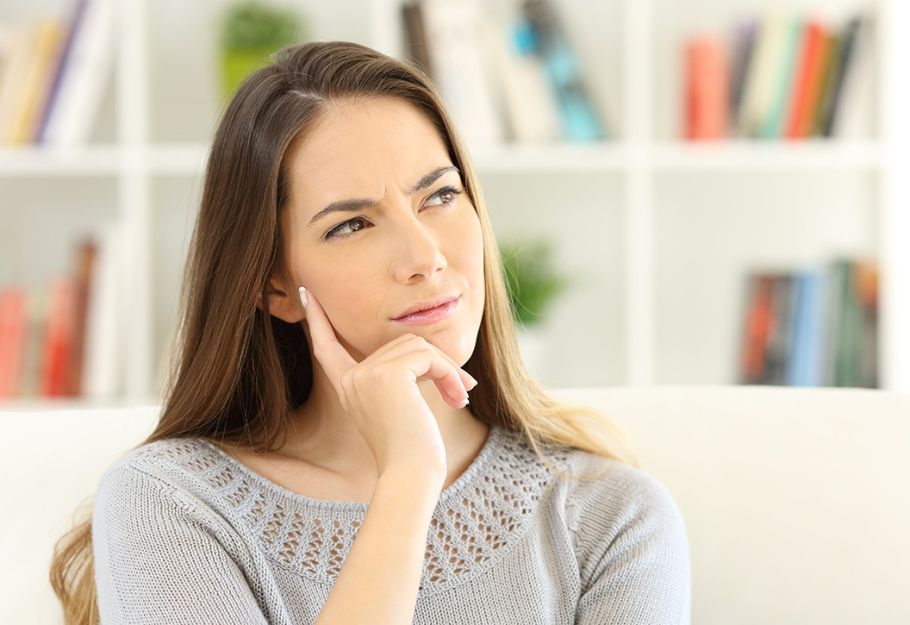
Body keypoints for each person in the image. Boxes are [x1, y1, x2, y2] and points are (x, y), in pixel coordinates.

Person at [49, 40, 691, 625]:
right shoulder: (171, 504)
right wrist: (408, 479)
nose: (424, 256)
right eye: (352, 225)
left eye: (439, 196)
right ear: (275, 285)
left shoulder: (609, 519)